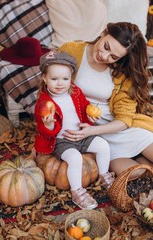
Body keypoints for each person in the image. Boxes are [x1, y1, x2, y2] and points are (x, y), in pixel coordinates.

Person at [58, 21, 153, 180]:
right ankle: (143, 162)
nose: (104, 56)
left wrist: (91, 130)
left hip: (116, 128)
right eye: (106, 46)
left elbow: (124, 119)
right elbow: (50, 86)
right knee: (134, 173)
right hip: (98, 138)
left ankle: (143, 153)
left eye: (113, 56)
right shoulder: (71, 51)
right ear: (104, 32)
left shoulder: (122, 72)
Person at [34, 51, 115, 210]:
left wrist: (90, 117)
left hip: (81, 134)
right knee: (75, 158)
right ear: (44, 78)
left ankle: (104, 176)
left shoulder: (75, 92)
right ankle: (77, 191)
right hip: (62, 141)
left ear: (71, 78)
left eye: (65, 79)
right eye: (54, 79)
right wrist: (49, 125)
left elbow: (85, 108)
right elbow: (44, 130)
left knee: (103, 145)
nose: (60, 83)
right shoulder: (44, 104)